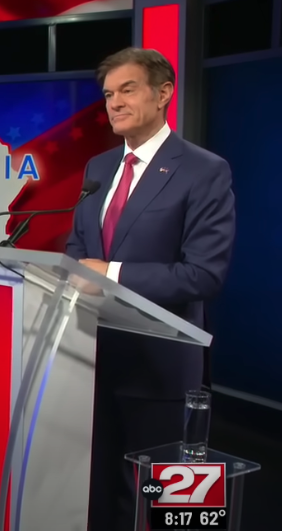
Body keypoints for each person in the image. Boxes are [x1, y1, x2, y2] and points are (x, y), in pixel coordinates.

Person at [64, 48, 235, 531]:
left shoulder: (204, 170)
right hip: (88, 362)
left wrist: (109, 273)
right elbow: (78, 246)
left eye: (127, 89)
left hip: (160, 369)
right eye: (108, 94)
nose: (114, 103)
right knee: (98, 494)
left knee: (164, 506)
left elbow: (204, 275)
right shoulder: (98, 168)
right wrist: (79, 268)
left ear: (164, 94)